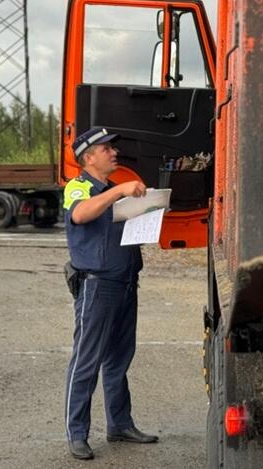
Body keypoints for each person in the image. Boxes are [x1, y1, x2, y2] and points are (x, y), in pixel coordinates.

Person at [63, 126, 158, 461]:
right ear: (89, 157)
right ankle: (77, 434)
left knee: (118, 361)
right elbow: (80, 214)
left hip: (126, 283)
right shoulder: (78, 187)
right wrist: (119, 192)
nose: (114, 152)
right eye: (107, 149)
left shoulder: (111, 191)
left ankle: (119, 425)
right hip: (97, 286)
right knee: (86, 362)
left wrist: (149, 212)